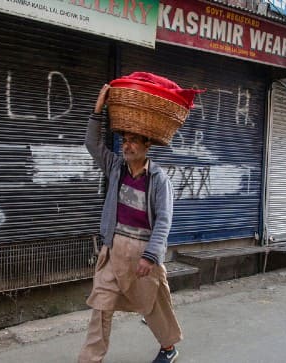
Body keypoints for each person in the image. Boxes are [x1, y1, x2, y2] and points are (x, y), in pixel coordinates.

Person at [78, 84, 182, 363]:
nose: (127, 145)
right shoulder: (115, 167)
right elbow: (92, 144)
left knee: (153, 305)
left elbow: (164, 220)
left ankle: (169, 347)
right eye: (124, 139)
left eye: (134, 139)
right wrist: (98, 110)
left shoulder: (159, 179)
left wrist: (151, 255)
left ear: (148, 145)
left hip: (143, 252)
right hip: (113, 250)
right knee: (101, 305)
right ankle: (90, 358)